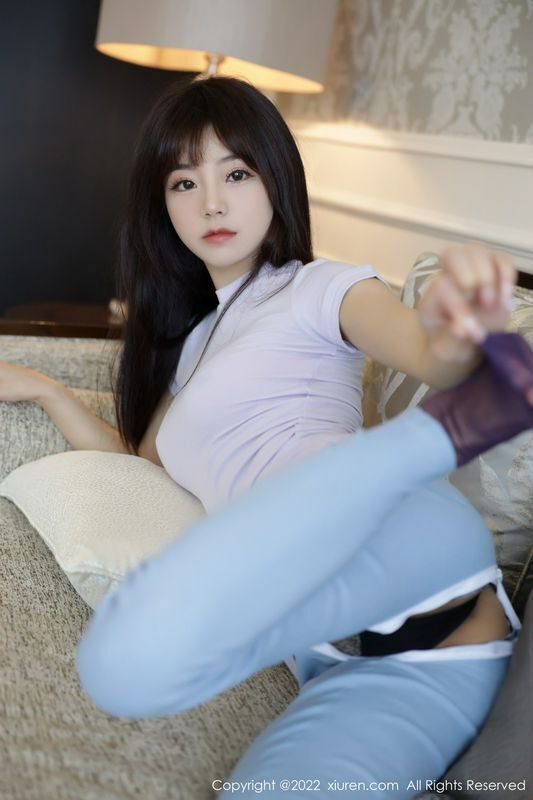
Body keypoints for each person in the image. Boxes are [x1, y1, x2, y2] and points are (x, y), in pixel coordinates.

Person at [1, 76, 532, 798]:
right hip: (396, 667)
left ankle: (436, 436)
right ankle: (432, 438)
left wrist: (461, 330)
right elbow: (141, 462)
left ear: (276, 179)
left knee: (121, 664)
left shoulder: (322, 287)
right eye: (184, 182)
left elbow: (430, 353)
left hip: (395, 533)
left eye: (236, 173)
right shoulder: (189, 346)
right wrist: (43, 389)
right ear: (162, 206)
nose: (211, 203)